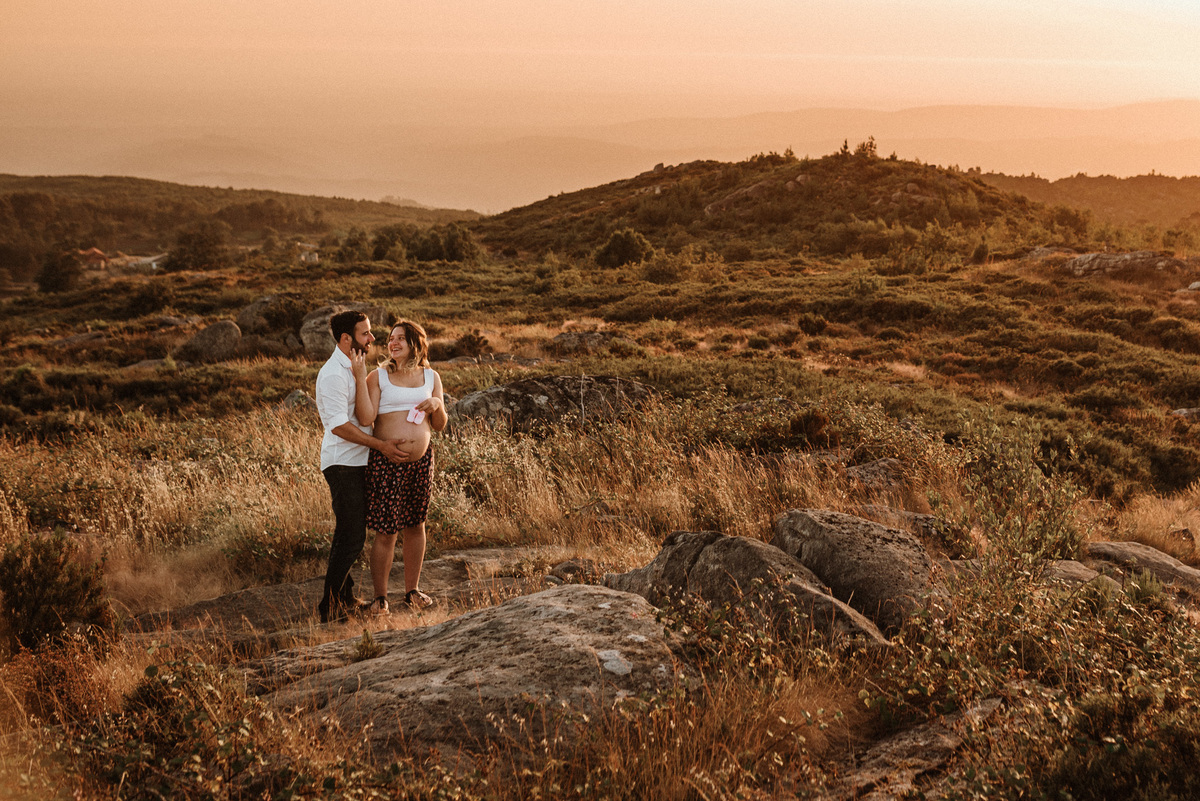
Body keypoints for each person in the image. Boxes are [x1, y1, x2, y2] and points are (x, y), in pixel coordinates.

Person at [314, 310, 408, 623]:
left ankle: (344, 597)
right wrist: (381, 445)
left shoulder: (354, 366)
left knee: (349, 534)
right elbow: (339, 426)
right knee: (352, 537)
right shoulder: (333, 374)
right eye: (365, 333)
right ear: (346, 338)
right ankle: (330, 608)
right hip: (343, 464)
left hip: (358, 462)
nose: (371, 338)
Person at [354, 319, 447, 614]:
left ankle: (412, 591)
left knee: (416, 525)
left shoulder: (431, 377)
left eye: (400, 339)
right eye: (391, 339)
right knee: (386, 530)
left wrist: (436, 404)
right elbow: (367, 418)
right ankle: (380, 598)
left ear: (415, 344)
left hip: (421, 462)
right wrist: (360, 377)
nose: (392, 343)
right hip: (387, 461)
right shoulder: (379, 377)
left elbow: (440, 425)